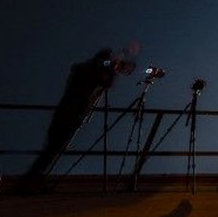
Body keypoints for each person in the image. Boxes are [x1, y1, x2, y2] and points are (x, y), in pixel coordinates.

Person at [24, 47, 135, 184]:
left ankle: (32, 178)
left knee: (51, 149)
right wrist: (113, 68)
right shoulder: (92, 71)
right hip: (71, 113)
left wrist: (113, 64)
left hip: (65, 111)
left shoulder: (83, 69)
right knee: (52, 149)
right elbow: (107, 82)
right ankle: (30, 180)